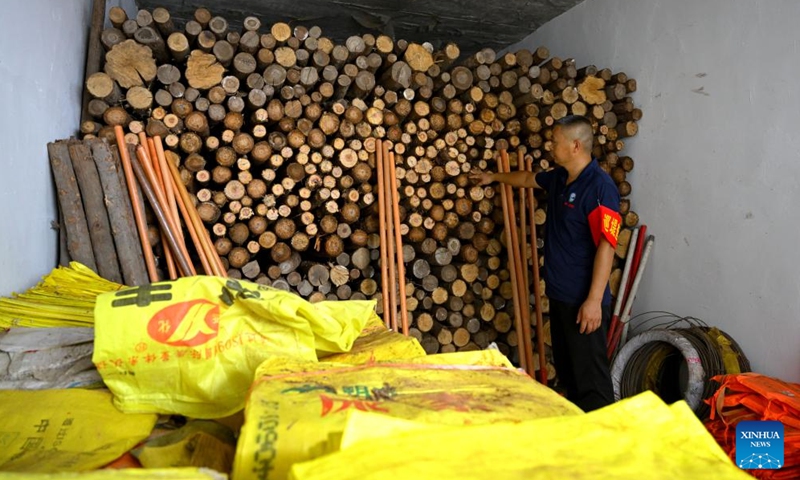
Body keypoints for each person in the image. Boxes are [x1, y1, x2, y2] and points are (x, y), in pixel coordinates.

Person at [469, 115, 621, 412]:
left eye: (555, 141)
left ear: (575, 146)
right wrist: (494, 177)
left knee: (591, 383)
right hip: (561, 295)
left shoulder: (600, 188)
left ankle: (603, 433)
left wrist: (593, 301)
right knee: (569, 374)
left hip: (583, 301)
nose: (550, 146)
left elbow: (607, 245)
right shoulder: (561, 178)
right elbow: (528, 179)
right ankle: (576, 429)